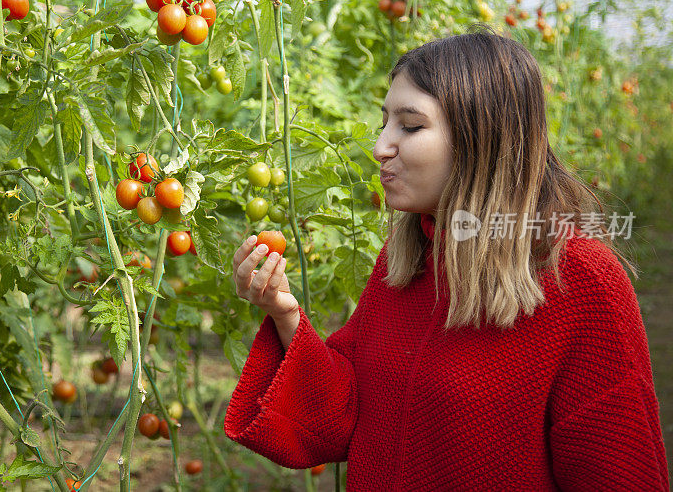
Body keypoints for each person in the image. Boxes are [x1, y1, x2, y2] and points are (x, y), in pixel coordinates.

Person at [223, 28, 669, 491]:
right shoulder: (407, 264)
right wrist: (286, 315)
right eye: (385, 123)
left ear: (483, 136)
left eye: (411, 126)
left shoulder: (579, 280)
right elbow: (345, 416)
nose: (381, 147)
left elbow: (619, 475)